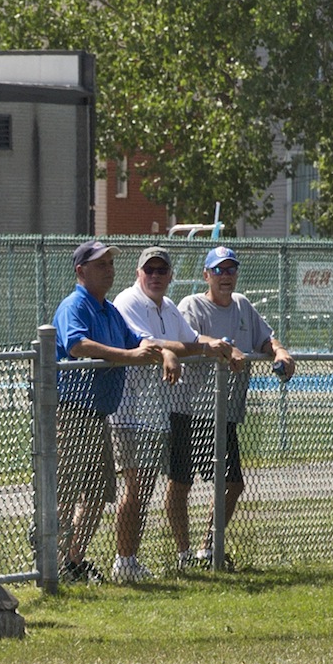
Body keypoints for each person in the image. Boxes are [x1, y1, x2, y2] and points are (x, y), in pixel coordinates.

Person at [110, 245, 227, 580]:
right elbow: (149, 344)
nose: (156, 276)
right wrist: (184, 349)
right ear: (138, 273)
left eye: (163, 271)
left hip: (154, 413)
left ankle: (129, 560)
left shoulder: (169, 306)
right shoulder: (129, 301)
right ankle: (123, 562)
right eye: (150, 270)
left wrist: (216, 345)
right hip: (129, 411)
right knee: (136, 488)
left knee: (143, 488)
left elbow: (189, 338)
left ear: (171, 275)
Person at [176, 245, 295, 566]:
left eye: (230, 270)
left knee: (232, 483)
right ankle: (184, 554)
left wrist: (280, 351)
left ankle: (207, 548)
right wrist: (224, 350)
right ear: (206, 275)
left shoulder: (242, 305)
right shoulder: (192, 306)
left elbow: (265, 338)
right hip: (191, 410)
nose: (225, 276)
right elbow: (188, 342)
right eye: (218, 270)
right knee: (181, 484)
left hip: (225, 414)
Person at [53, 239, 163, 580]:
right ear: (80, 270)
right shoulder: (76, 305)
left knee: (98, 493)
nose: (109, 270)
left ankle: (73, 560)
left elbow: (137, 340)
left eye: (111, 264)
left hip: (99, 414)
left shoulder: (109, 310)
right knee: (66, 494)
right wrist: (128, 356)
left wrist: (153, 348)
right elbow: (77, 344)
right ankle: (53, 565)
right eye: (101, 265)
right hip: (72, 413)